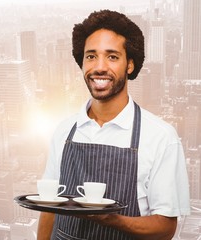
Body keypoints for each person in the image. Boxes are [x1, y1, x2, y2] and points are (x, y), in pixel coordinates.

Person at [37, 9, 190, 240]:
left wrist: (113, 219)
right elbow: (49, 208)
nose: (99, 67)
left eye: (112, 56)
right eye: (91, 56)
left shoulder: (160, 137)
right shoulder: (64, 132)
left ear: (129, 64)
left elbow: (165, 227)